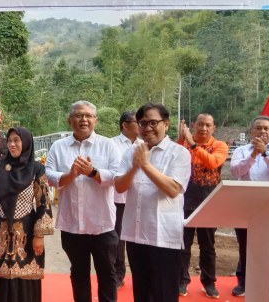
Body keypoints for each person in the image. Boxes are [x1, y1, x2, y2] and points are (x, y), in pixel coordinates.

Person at [45, 100, 121, 302]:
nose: (84, 119)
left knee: (107, 273)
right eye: (79, 115)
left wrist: (93, 172)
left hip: (102, 224)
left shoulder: (108, 145)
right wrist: (70, 175)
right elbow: (48, 175)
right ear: (70, 121)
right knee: (78, 273)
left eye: (88, 116)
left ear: (95, 120)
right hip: (72, 225)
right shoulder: (58, 147)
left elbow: (117, 177)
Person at [114, 103, 191, 302]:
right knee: (141, 292)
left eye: (153, 122)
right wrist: (134, 167)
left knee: (164, 293)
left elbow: (173, 189)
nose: (147, 128)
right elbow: (119, 187)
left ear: (166, 124)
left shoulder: (179, 153)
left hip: (164, 235)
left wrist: (146, 166)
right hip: (135, 234)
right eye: (143, 123)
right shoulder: (132, 152)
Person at [0, 127, 54, 302]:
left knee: (26, 280)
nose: (12, 144)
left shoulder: (36, 169)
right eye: (9, 140)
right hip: (0, 234)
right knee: (1, 279)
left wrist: (39, 235)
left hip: (26, 234)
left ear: (26, 142)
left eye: (17, 140)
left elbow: (43, 202)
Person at [230, 115, 269, 297]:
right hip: (247, 206)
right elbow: (236, 171)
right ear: (251, 131)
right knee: (246, 246)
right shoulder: (241, 151)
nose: (262, 132)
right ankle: (244, 282)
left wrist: (266, 154)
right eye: (258, 128)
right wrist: (254, 155)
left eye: (266, 129)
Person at [177, 114, 228, 298]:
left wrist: (192, 145)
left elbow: (213, 162)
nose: (204, 128)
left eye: (208, 125)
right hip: (184, 202)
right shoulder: (182, 145)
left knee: (208, 246)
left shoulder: (219, 146)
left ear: (213, 128)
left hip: (210, 203)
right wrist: (182, 141)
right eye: (200, 125)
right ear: (192, 125)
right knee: (183, 244)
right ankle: (181, 280)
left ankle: (208, 282)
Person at [110, 110, 140, 290]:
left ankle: (140, 274)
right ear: (125, 125)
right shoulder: (112, 144)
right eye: (138, 122)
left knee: (138, 238)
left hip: (140, 199)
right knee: (118, 238)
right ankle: (117, 273)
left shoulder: (144, 145)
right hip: (119, 199)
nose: (142, 126)